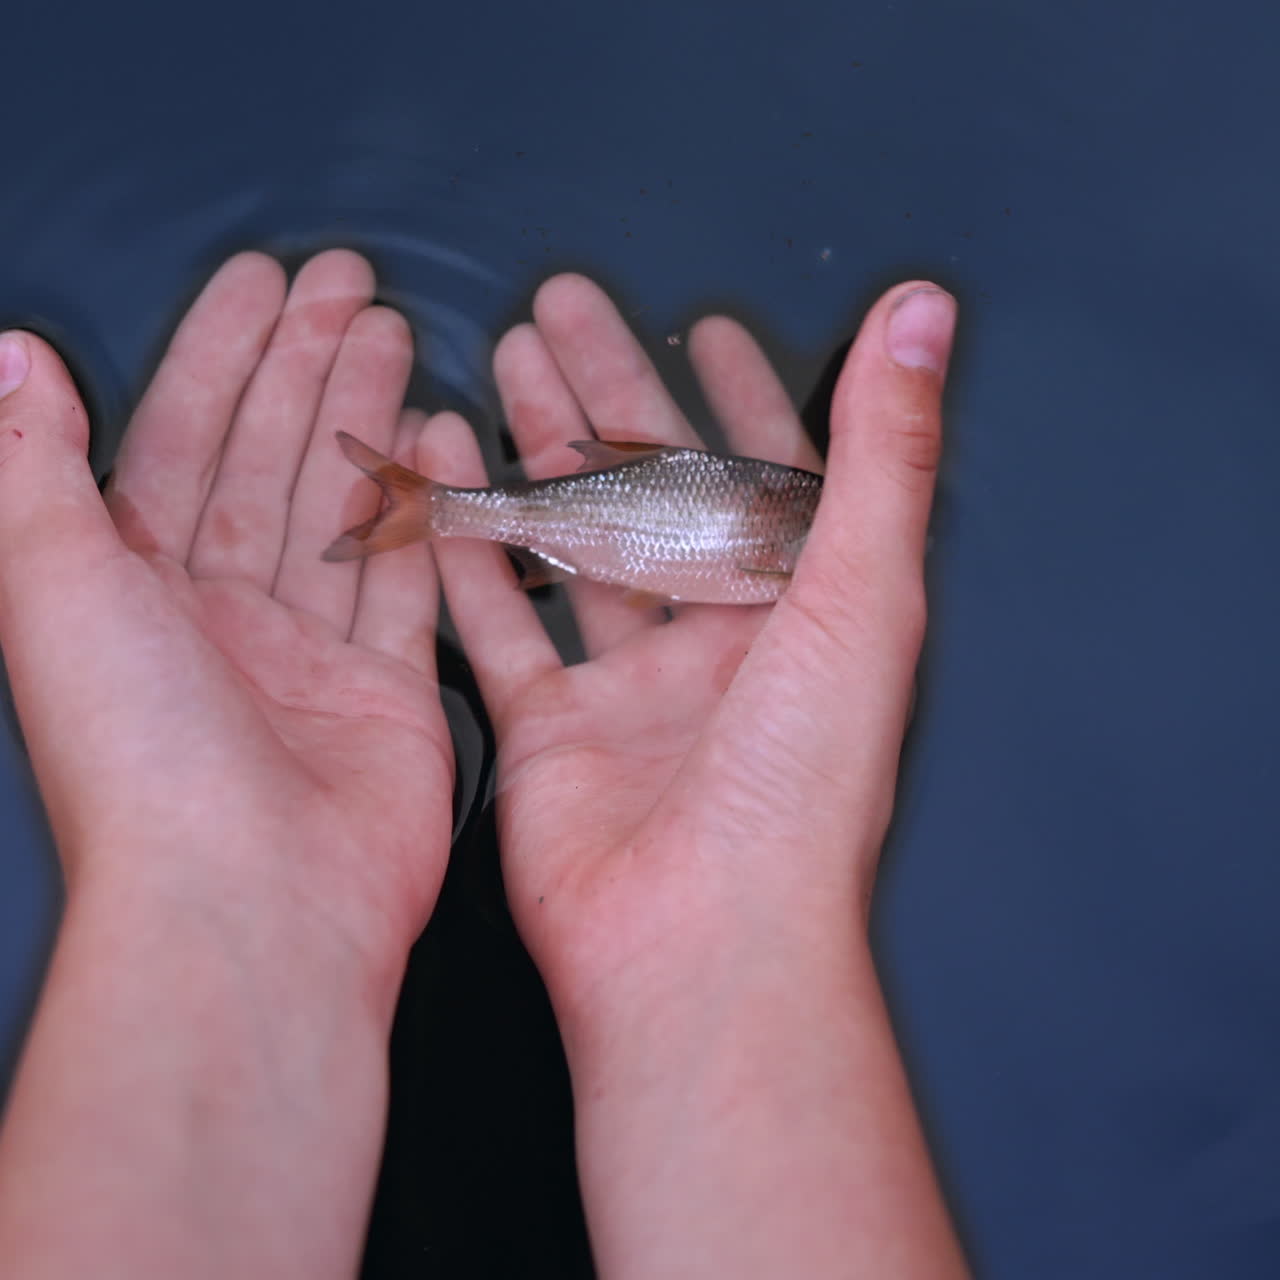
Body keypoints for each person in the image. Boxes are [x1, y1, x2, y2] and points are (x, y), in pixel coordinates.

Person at [0, 249, 968, 1278]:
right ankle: (435, 503)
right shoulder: (794, 529)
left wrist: (202, 894)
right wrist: (743, 930)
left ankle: (434, 504)